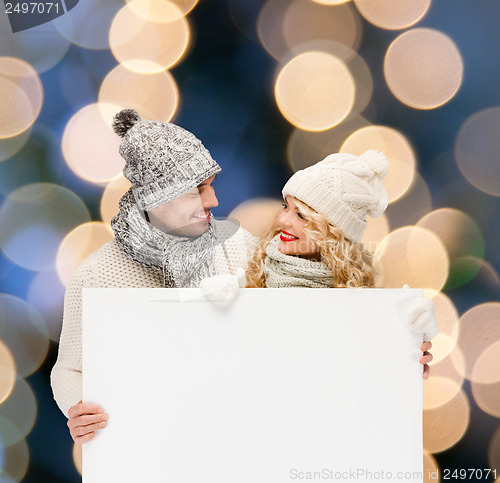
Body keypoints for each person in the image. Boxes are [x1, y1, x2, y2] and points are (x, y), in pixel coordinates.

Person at [51, 109, 255, 444]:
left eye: (211, 186)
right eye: (196, 190)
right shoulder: (95, 277)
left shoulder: (238, 246)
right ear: (154, 197)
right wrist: (79, 409)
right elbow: (69, 369)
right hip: (148, 449)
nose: (213, 201)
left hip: (233, 440)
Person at [244, 150, 437, 373]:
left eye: (301, 215)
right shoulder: (251, 271)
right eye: (286, 207)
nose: (283, 220)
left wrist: (409, 347)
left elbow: (367, 375)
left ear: (332, 233)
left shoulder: (362, 302)